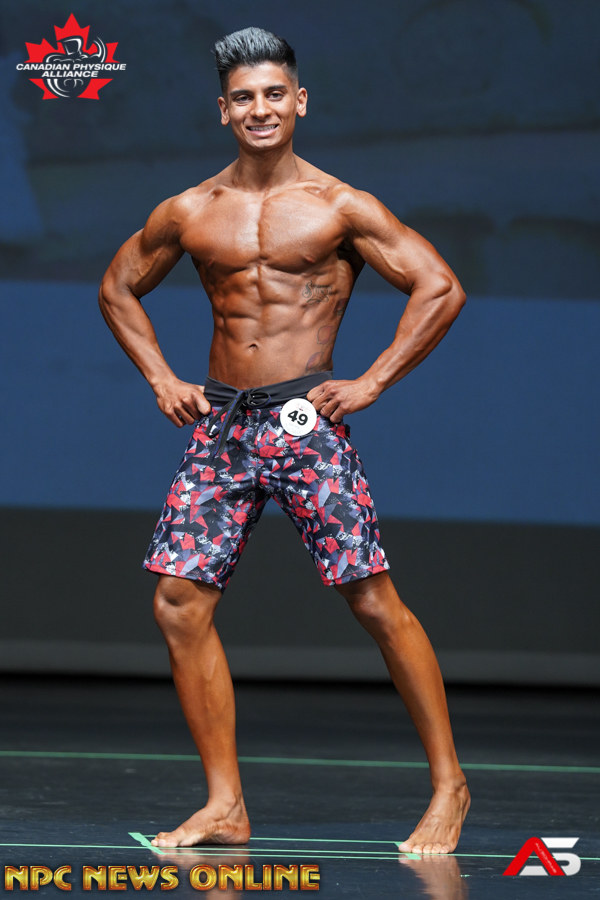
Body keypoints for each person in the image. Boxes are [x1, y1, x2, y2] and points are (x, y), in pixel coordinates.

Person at [99, 26, 470, 854]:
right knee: (178, 602)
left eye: (274, 94)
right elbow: (118, 286)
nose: (260, 109)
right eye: (244, 98)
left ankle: (450, 784)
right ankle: (225, 804)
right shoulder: (191, 211)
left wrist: (372, 382)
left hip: (306, 420)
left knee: (371, 599)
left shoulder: (341, 206)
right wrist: (160, 377)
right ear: (223, 111)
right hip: (224, 423)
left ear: (299, 101)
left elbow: (439, 286)